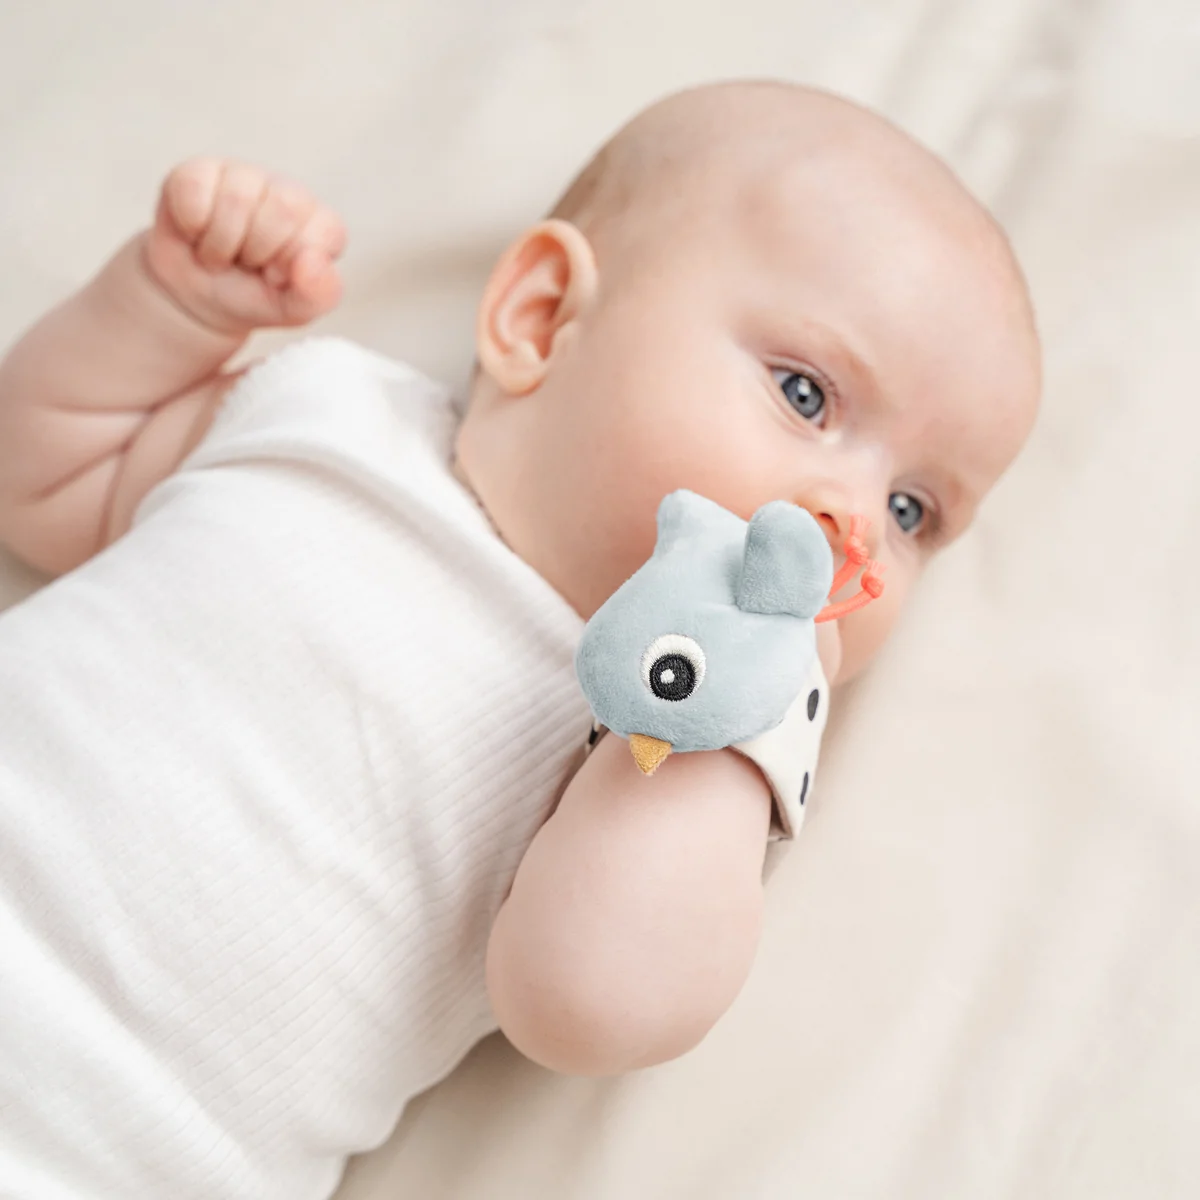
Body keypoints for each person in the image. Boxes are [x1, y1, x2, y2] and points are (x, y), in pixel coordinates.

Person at [0, 80, 1040, 1199]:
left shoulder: (643, 765)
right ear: (542, 319)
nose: (854, 522)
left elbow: (596, 1002)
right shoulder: (324, 410)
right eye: (805, 395)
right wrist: (162, 308)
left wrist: (743, 692)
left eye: (913, 511)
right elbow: (47, 481)